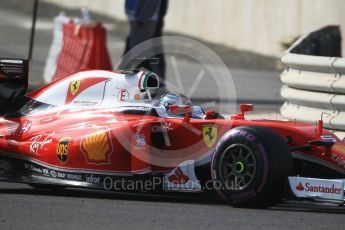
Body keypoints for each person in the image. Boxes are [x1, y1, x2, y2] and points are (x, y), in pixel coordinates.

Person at [121, 0, 168, 90]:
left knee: (148, 54)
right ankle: (149, 84)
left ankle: (158, 85)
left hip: (145, 20)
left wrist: (143, 18)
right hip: (138, 18)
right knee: (137, 53)